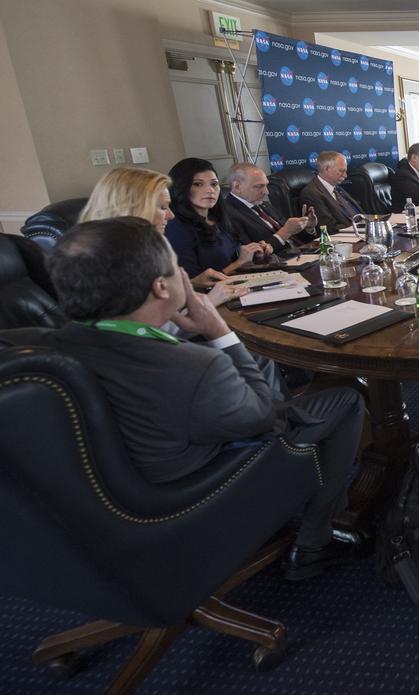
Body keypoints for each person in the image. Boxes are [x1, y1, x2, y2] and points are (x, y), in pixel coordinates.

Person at [2, 216, 366, 579]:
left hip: (91, 507)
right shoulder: (195, 366)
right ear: (161, 287)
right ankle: (313, 541)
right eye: (177, 267)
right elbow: (267, 419)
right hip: (191, 495)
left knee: (260, 367)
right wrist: (221, 333)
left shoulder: (29, 345)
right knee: (346, 399)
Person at [81, 167, 228, 292]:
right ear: (132, 209)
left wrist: (193, 284)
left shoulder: (147, 246)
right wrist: (210, 302)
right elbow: (154, 312)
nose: (171, 215)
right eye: (163, 207)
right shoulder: (108, 262)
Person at [164, 158, 271, 279]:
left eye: (214, 184)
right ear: (181, 188)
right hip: (214, 290)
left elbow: (232, 256)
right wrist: (239, 262)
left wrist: (254, 253)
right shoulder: (176, 227)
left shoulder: (219, 217)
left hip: (241, 282)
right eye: (198, 184)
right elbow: (193, 283)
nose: (210, 190)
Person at [223, 163, 317, 253]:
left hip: (302, 254)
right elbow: (250, 254)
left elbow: (293, 237)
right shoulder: (227, 214)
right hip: (278, 261)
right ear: (237, 187)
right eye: (259, 187)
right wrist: (285, 232)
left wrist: (307, 228)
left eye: (266, 185)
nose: (266, 192)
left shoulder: (264, 204)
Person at [300, 151, 364, 232]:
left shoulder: (337, 188)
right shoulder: (312, 193)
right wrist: (359, 228)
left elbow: (358, 213)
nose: (345, 175)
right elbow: (329, 228)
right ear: (326, 169)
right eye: (341, 171)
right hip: (347, 235)